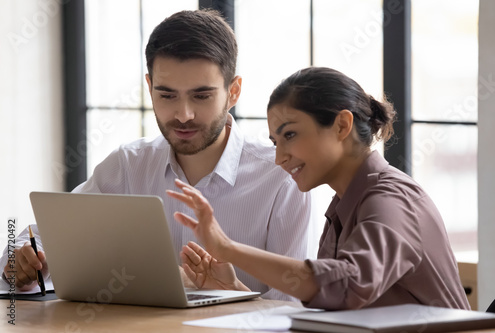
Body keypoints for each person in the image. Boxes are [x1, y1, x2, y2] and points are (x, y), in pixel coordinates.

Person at [0, 9, 311, 301]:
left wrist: (229, 293)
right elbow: (42, 238)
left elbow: (289, 309)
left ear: (233, 92)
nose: (184, 114)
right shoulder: (127, 165)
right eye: (167, 95)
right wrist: (23, 260)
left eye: (201, 96)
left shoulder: (281, 180)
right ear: (149, 88)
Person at [167, 67, 471, 310]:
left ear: (341, 125)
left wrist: (226, 248)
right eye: (275, 142)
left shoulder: (391, 199)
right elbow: (329, 307)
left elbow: (346, 287)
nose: (279, 157)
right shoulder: (344, 205)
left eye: (290, 135)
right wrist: (233, 290)